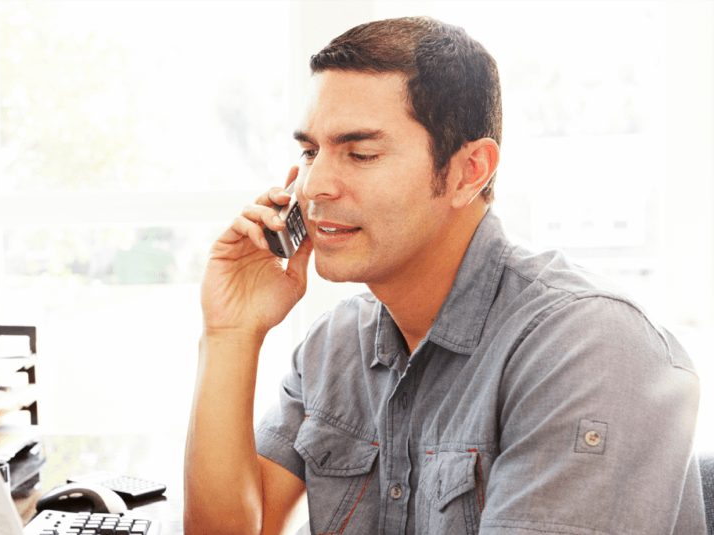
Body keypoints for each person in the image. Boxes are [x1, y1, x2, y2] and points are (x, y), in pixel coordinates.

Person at [184, 16, 705, 535]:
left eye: (360, 153)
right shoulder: (335, 347)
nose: (314, 184)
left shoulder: (589, 348)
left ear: (468, 171)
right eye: (309, 152)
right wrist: (230, 334)